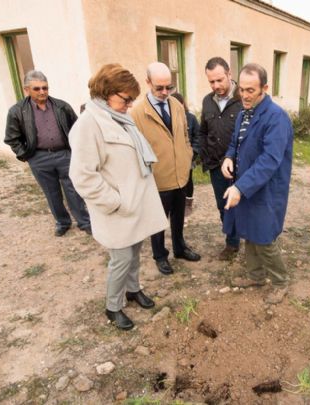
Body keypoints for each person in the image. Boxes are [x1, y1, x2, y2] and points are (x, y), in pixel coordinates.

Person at [68, 63, 168, 331]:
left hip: (135, 204)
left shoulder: (119, 117)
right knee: (121, 259)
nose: (129, 104)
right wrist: (115, 202)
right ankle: (113, 307)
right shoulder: (88, 124)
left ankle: (133, 290)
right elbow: (82, 176)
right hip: (117, 209)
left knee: (135, 253)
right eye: (126, 99)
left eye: (132, 99)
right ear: (107, 92)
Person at [221, 63, 293, 304]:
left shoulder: (276, 118)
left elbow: (269, 160)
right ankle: (256, 276)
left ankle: (281, 282)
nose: (244, 95)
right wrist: (229, 157)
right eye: (241, 89)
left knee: (263, 237)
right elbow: (236, 142)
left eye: (250, 90)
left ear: (265, 88)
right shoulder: (244, 113)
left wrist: (240, 187)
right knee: (249, 232)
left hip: (266, 190)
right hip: (246, 184)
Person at [131, 62, 201, 276]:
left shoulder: (176, 105)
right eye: (159, 88)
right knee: (157, 221)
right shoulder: (137, 113)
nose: (164, 92)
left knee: (179, 216)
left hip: (181, 175)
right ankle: (160, 255)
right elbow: (136, 149)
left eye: (168, 87)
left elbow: (185, 134)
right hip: (158, 179)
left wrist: (187, 154)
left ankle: (180, 248)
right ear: (147, 82)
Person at [4, 70, 91, 237]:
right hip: (39, 158)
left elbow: (76, 129)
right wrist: (27, 156)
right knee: (51, 193)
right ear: (26, 90)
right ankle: (63, 222)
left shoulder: (61, 106)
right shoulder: (17, 111)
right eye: (36, 89)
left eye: (45, 87)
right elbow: (11, 138)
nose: (42, 91)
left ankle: (84, 222)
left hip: (65, 155)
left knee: (73, 190)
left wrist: (76, 152)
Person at [199, 57, 243, 260]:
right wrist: (204, 154)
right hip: (216, 165)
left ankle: (251, 240)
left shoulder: (243, 98)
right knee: (223, 205)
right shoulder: (207, 101)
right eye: (211, 82)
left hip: (240, 166)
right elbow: (203, 131)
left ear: (229, 74)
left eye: (220, 80)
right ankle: (232, 243)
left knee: (243, 205)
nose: (216, 86)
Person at [171, 92, 199, 218]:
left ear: (183, 104)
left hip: (188, 157)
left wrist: (192, 152)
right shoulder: (169, 118)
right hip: (173, 159)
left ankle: (188, 204)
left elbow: (198, 137)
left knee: (188, 180)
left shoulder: (191, 118)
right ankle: (176, 205)